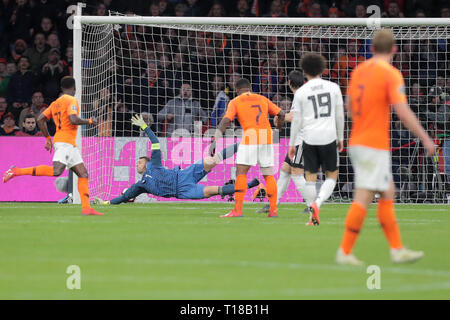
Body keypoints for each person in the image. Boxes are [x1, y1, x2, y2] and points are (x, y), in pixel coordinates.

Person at [336, 29, 436, 266]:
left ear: (371, 49)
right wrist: (424, 137)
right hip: (373, 143)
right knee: (364, 196)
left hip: (358, 140)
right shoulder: (391, 74)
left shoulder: (359, 71)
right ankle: (346, 251)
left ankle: (396, 249)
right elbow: (401, 110)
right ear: (394, 49)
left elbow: (349, 105)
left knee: (387, 191)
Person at [94, 114, 259, 204]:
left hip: (184, 175)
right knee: (212, 191)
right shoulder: (140, 185)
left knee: (212, 160)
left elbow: (155, 142)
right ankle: (249, 185)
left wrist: (145, 127)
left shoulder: (155, 164)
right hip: (182, 192)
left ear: (147, 161)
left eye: (140, 161)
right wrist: (106, 203)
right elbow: (123, 197)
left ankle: (242, 143)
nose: (137, 164)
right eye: (137, 163)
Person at [3, 76, 103, 216]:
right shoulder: (71, 100)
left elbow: (40, 119)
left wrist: (47, 138)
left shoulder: (56, 103)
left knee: (83, 173)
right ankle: (17, 171)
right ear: (74, 88)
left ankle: (86, 208)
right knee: (57, 171)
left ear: (62, 88)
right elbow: (73, 119)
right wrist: (90, 121)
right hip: (65, 143)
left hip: (68, 144)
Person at [212, 78, 285, 218]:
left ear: (237, 89)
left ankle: (237, 210)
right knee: (268, 173)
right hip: (267, 136)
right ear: (250, 88)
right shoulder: (262, 99)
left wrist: (216, 137)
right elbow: (281, 114)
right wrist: (278, 128)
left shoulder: (235, 101)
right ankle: (273, 211)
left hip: (250, 136)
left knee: (241, 172)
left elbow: (226, 120)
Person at [289, 53, 345, 226]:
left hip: (309, 139)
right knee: (331, 176)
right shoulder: (333, 87)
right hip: (328, 136)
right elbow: (339, 114)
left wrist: (292, 143)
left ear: (304, 71)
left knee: (310, 178)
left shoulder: (301, 92)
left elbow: (296, 120)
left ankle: (311, 213)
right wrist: (341, 137)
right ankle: (317, 203)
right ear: (323, 69)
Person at [257, 70, 308, 214]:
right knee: (285, 170)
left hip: (303, 140)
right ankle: (273, 203)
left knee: (296, 173)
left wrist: (280, 117)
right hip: (300, 139)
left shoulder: (300, 96)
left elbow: (294, 117)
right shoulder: (302, 95)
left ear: (289, 83)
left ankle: (312, 204)